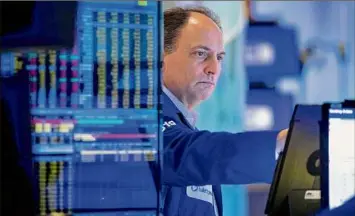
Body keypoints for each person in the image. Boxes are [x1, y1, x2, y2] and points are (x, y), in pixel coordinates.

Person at [162, 6, 288, 216]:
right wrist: (281, 145)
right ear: (160, 57)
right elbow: (193, 153)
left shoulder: (185, 127)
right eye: (201, 54)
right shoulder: (141, 121)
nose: (214, 69)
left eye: (219, 57)